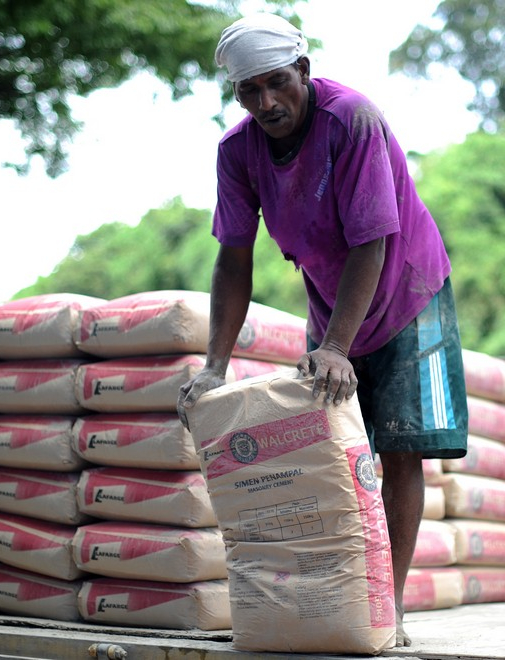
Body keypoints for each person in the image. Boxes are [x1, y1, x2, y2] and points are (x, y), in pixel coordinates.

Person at [176, 12, 468, 648]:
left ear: (304, 71)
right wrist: (214, 367)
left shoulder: (352, 120)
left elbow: (372, 241)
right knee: (330, 452)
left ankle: (387, 607)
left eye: (277, 83)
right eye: (249, 91)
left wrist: (335, 347)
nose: (266, 103)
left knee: (400, 449)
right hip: (334, 303)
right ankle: (330, 602)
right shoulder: (237, 152)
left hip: (409, 292)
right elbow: (233, 258)